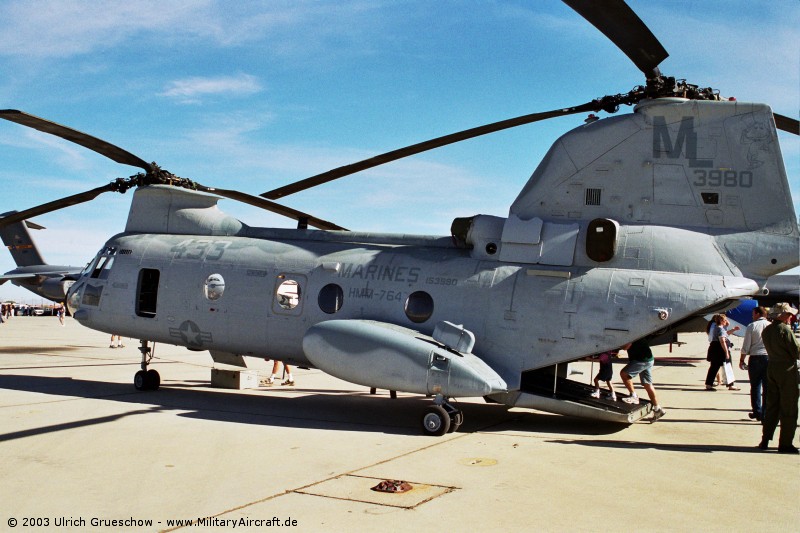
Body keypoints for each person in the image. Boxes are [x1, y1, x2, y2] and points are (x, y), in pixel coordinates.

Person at [758, 302, 800, 454]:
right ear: (782, 315)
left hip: (772, 367)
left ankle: (765, 439)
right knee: (789, 408)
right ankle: (785, 443)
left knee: (772, 406)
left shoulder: (767, 330)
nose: (791, 317)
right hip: (786, 370)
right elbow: (796, 351)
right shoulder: (784, 330)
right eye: (789, 314)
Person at [620, 338, 666, 422]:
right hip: (648, 359)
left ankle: (634, 396)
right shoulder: (638, 330)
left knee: (624, 374)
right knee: (648, 384)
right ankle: (657, 409)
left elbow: (626, 346)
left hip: (641, 360)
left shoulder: (632, 333)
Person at [739, 306, 769, 421]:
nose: (752, 316)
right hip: (768, 357)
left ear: (757, 314)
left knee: (755, 386)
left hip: (755, 358)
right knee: (767, 387)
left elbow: (746, 345)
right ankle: (765, 413)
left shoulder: (752, 326)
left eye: (753, 314)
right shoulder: (770, 325)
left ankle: (757, 411)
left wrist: (742, 359)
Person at [704, 314, 740, 391]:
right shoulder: (720, 329)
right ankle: (730, 384)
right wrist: (726, 352)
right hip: (719, 349)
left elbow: (725, 334)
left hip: (714, 348)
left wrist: (733, 329)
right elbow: (722, 340)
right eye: (725, 320)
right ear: (721, 321)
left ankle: (709, 384)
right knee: (727, 366)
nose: (726, 321)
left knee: (714, 367)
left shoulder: (718, 328)